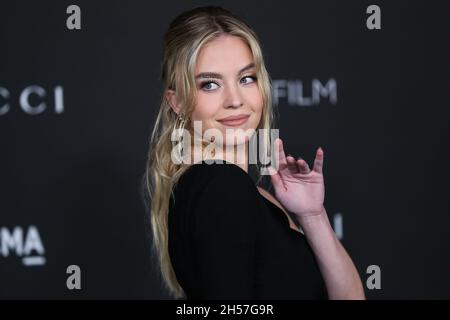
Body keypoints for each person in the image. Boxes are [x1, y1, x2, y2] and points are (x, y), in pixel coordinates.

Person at [143, 5, 365, 300]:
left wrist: (313, 215)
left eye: (246, 78)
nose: (235, 100)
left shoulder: (240, 190)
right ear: (178, 102)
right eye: (210, 84)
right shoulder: (221, 187)